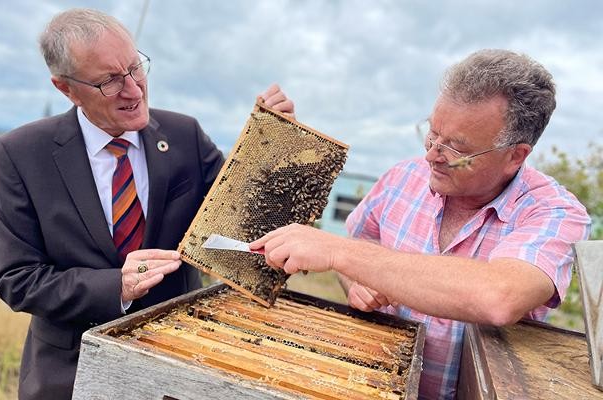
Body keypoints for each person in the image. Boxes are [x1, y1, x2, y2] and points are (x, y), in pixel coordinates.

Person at [0, 8, 293, 400]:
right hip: (69, 375)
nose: (134, 90)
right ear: (65, 88)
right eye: (109, 82)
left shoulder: (186, 135)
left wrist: (273, 146)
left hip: (182, 365)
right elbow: (16, 279)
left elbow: (245, 235)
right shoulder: (20, 154)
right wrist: (116, 285)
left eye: (135, 68)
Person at [251, 49, 591, 399]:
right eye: (432, 133)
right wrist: (356, 282)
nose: (432, 154)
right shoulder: (402, 178)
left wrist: (340, 252)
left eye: (457, 149)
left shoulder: (556, 213)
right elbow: (360, 247)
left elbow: (499, 296)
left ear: (515, 155)